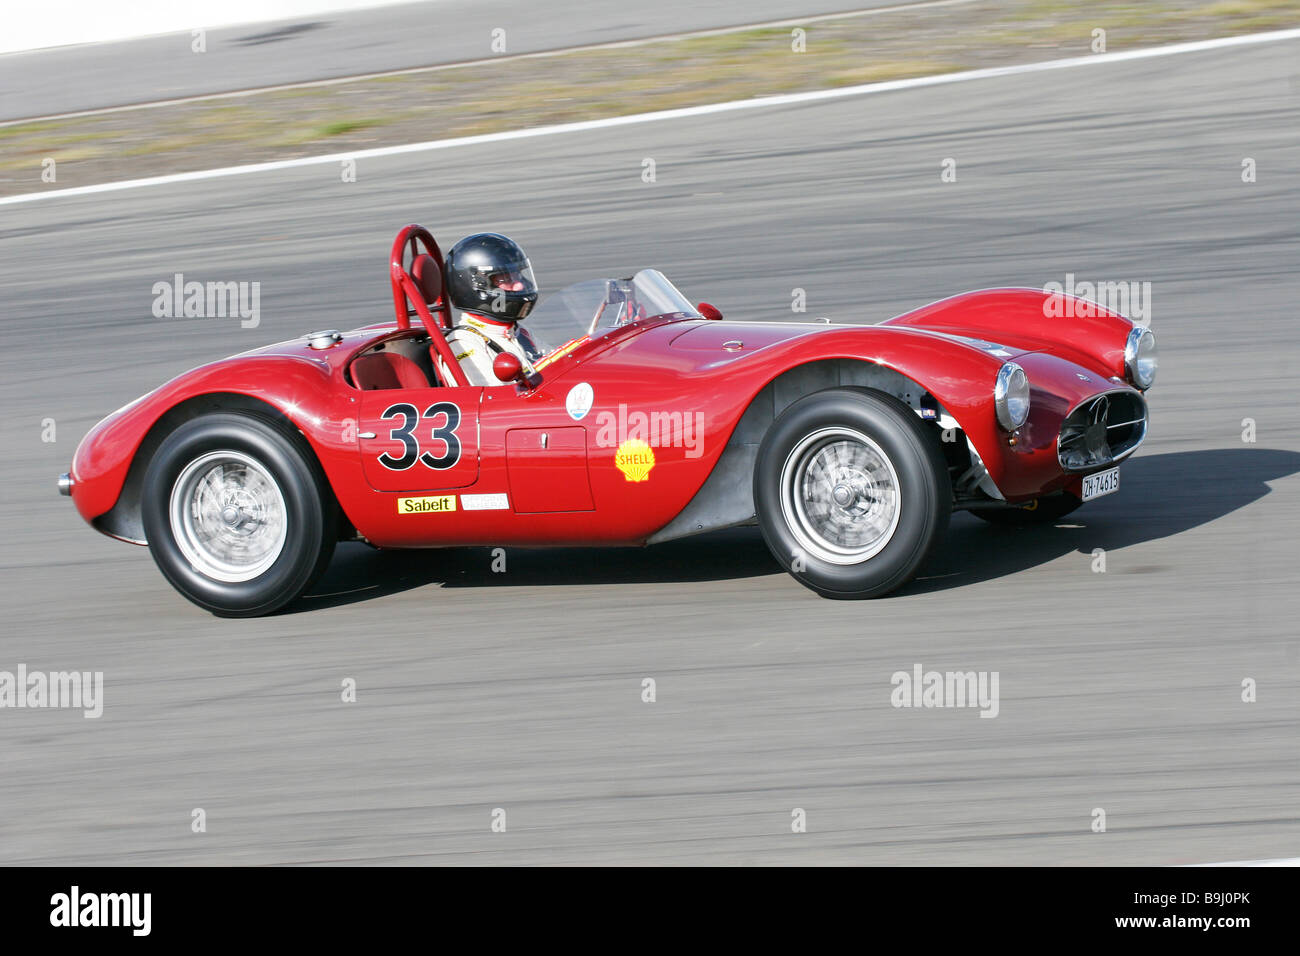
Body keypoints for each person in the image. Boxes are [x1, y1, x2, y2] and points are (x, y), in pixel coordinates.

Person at [438, 233, 544, 385]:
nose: (519, 285)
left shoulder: (519, 332)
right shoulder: (463, 343)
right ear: (477, 285)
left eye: (518, 276)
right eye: (505, 279)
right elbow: (493, 400)